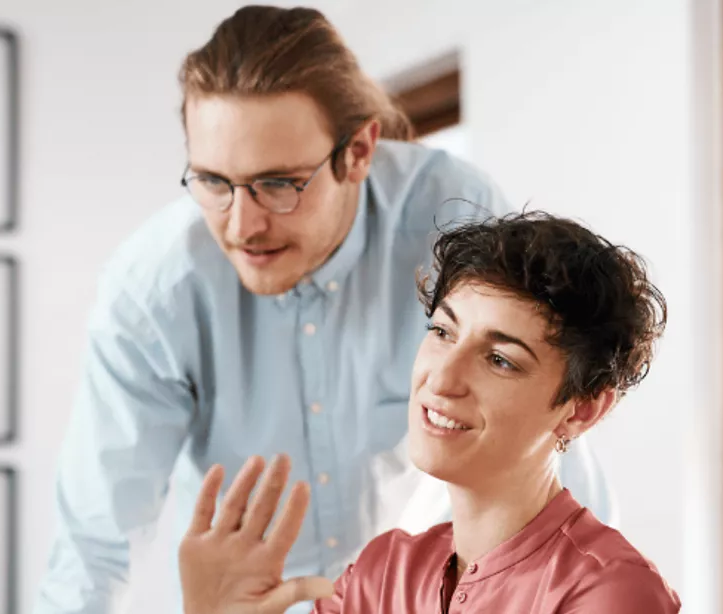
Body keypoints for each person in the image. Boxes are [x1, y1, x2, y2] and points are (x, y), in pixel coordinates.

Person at [35, 7, 615, 614]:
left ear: (359, 149)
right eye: (213, 182)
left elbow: (545, 429)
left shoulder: (455, 218)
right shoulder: (153, 290)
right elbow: (93, 550)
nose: (241, 227)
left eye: (279, 184)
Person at [178, 212, 680, 613]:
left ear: (582, 409)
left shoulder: (611, 593)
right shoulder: (381, 574)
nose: (441, 378)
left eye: (500, 360)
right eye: (442, 332)